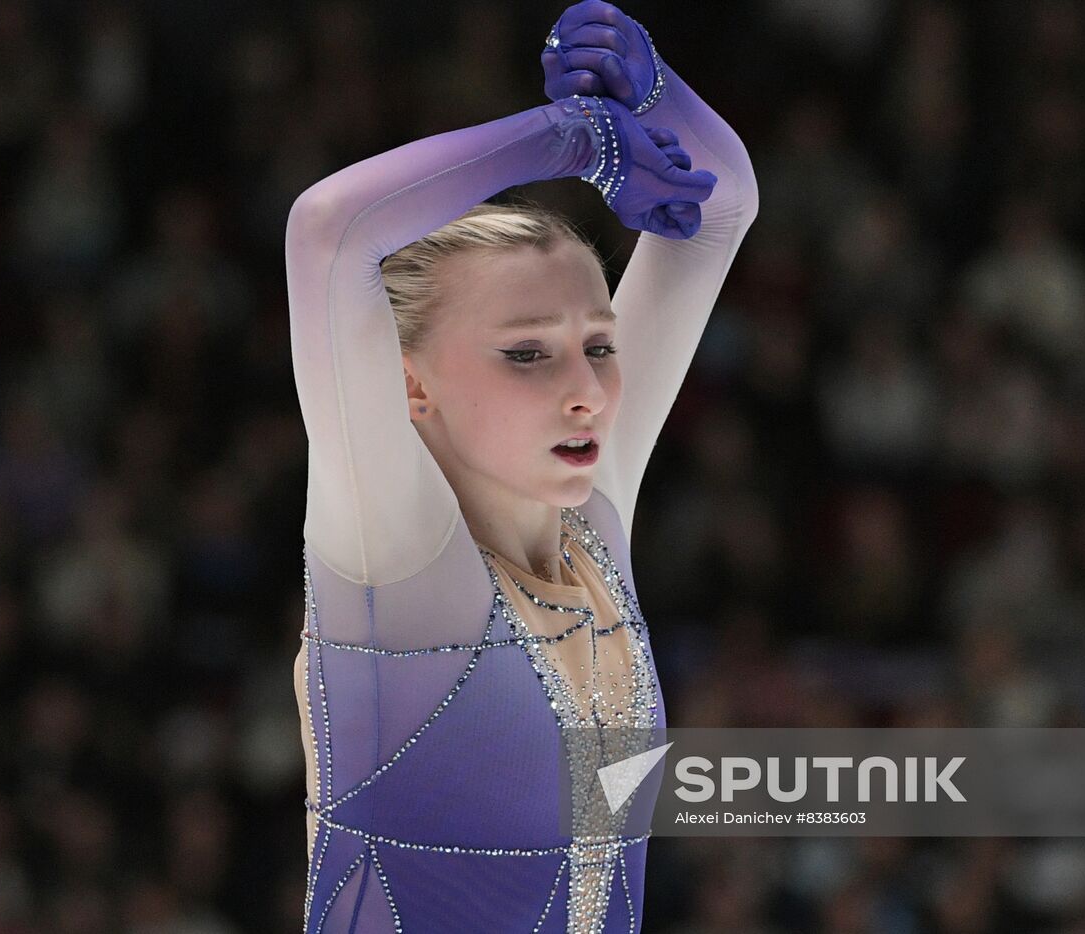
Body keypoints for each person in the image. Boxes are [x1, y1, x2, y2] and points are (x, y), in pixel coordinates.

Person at [287, 2, 758, 930]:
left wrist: (653, 90)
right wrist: (570, 139)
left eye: (599, 344)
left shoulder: (591, 524)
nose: (587, 392)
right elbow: (327, 230)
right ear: (409, 385)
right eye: (527, 353)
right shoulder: (403, 570)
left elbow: (721, 207)